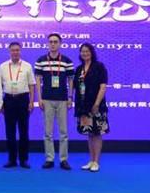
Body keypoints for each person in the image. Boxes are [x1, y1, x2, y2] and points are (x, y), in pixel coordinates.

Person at [34, 33, 74, 170]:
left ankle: (63, 159)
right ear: (47, 43)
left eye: (55, 42)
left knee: (63, 132)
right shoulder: (41, 61)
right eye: (50, 41)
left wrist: (70, 97)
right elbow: (38, 80)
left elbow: (71, 80)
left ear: (60, 44)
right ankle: (49, 159)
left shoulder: (67, 61)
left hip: (63, 99)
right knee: (48, 132)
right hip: (47, 99)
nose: (53, 44)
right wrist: (39, 98)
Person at [0, 42, 36, 169]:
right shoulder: (3, 66)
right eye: (13, 50)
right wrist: (1, 103)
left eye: (17, 50)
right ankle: (12, 159)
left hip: (23, 100)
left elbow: (31, 85)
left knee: (23, 131)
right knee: (10, 131)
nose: (15, 52)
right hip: (8, 100)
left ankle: (24, 160)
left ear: (20, 51)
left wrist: (31, 101)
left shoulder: (27, 66)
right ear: (9, 51)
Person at [74, 43, 109, 173]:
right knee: (89, 133)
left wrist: (96, 104)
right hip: (84, 107)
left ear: (92, 52)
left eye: (87, 51)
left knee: (97, 133)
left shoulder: (99, 67)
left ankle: (96, 162)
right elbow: (76, 87)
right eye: (82, 51)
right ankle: (91, 160)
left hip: (97, 106)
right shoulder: (79, 69)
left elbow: (103, 87)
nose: (85, 53)